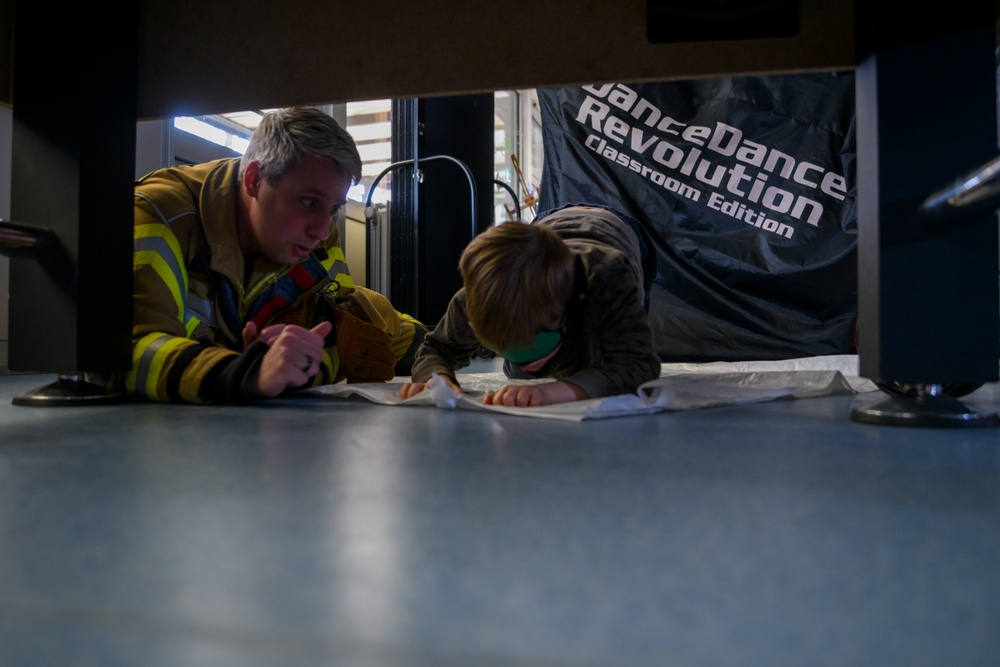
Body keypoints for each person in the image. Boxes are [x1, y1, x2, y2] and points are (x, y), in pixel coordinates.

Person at [119, 106, 425, 403]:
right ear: (254, 180)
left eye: (333, 209)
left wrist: (294, 365)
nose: (322, 231)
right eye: (309, 202)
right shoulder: (158, 215)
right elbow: (125, 353)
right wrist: (246, 371)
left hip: (392, 326)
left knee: (408, 335)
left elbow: (337, 324)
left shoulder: (319, 231)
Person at [399, 205, 661, 407]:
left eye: (531, 345)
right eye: (497, 346)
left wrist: (553, 392)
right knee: (523, 376)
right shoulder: (474, 300)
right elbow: (436, 348)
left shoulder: (608, 276)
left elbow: (636, 365)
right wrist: (436, 381)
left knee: (605, 358)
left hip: (617, 232)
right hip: (547, 228)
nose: (516, 356)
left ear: (572, 305)